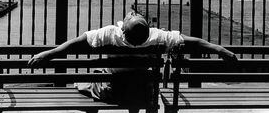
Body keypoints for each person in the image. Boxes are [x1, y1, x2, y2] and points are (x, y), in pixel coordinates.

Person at [28, 11, 238, 110]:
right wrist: (220, 50)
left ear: (123, 29)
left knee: (85, 81)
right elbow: (193, 42)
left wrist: (48, 54)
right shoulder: (157, 37)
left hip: (114, 91)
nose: (131, 13)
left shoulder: (110, 34)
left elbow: (77, 43)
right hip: (143, 93)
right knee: (137, 80)